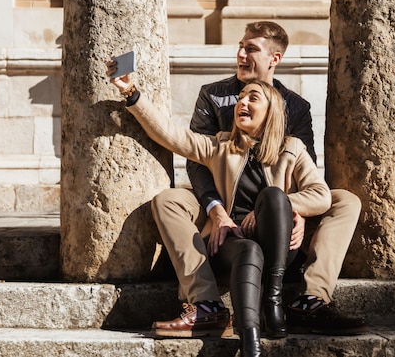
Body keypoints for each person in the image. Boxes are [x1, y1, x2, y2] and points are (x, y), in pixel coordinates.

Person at [152, 21, 366, 338]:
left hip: (277, 209)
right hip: (220, 205)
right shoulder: (212, 95)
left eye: (250, 48)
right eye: (240, 46)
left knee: (346, 200)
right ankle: (206, 304)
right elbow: (194, 161)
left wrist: (296, 211)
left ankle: (312, 300)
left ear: (274, 58)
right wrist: (217, 211)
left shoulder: (296, 106)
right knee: (169, 199)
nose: (240, 54)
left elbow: (307, 170)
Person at [107, 67, 331, 356]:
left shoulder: (292, 149)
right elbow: (172, 135)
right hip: (233, 244)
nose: (242, 103)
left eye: (253, 98)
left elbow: (321, 195)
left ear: (271, 111)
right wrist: (132, 94)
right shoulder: (221, 145)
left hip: (278, 247)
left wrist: (281, 208)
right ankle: (248, 344)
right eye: (240, 98)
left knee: (275, 196)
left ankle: (272, 297)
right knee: (244, 247)